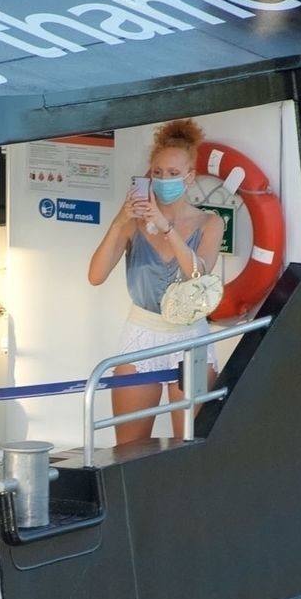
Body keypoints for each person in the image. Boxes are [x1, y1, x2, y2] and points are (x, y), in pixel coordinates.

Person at [87, 119, 225, 447]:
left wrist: (166, 227)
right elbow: (95, 276)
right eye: (158, 172)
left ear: (189, 176)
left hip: (190, 336)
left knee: (191, 447)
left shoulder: (210, 222)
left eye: (173, 173)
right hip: (142, 332)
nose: (164, 179)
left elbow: (197, 275)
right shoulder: (131, 223)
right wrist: (119, 222)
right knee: (129, 448)